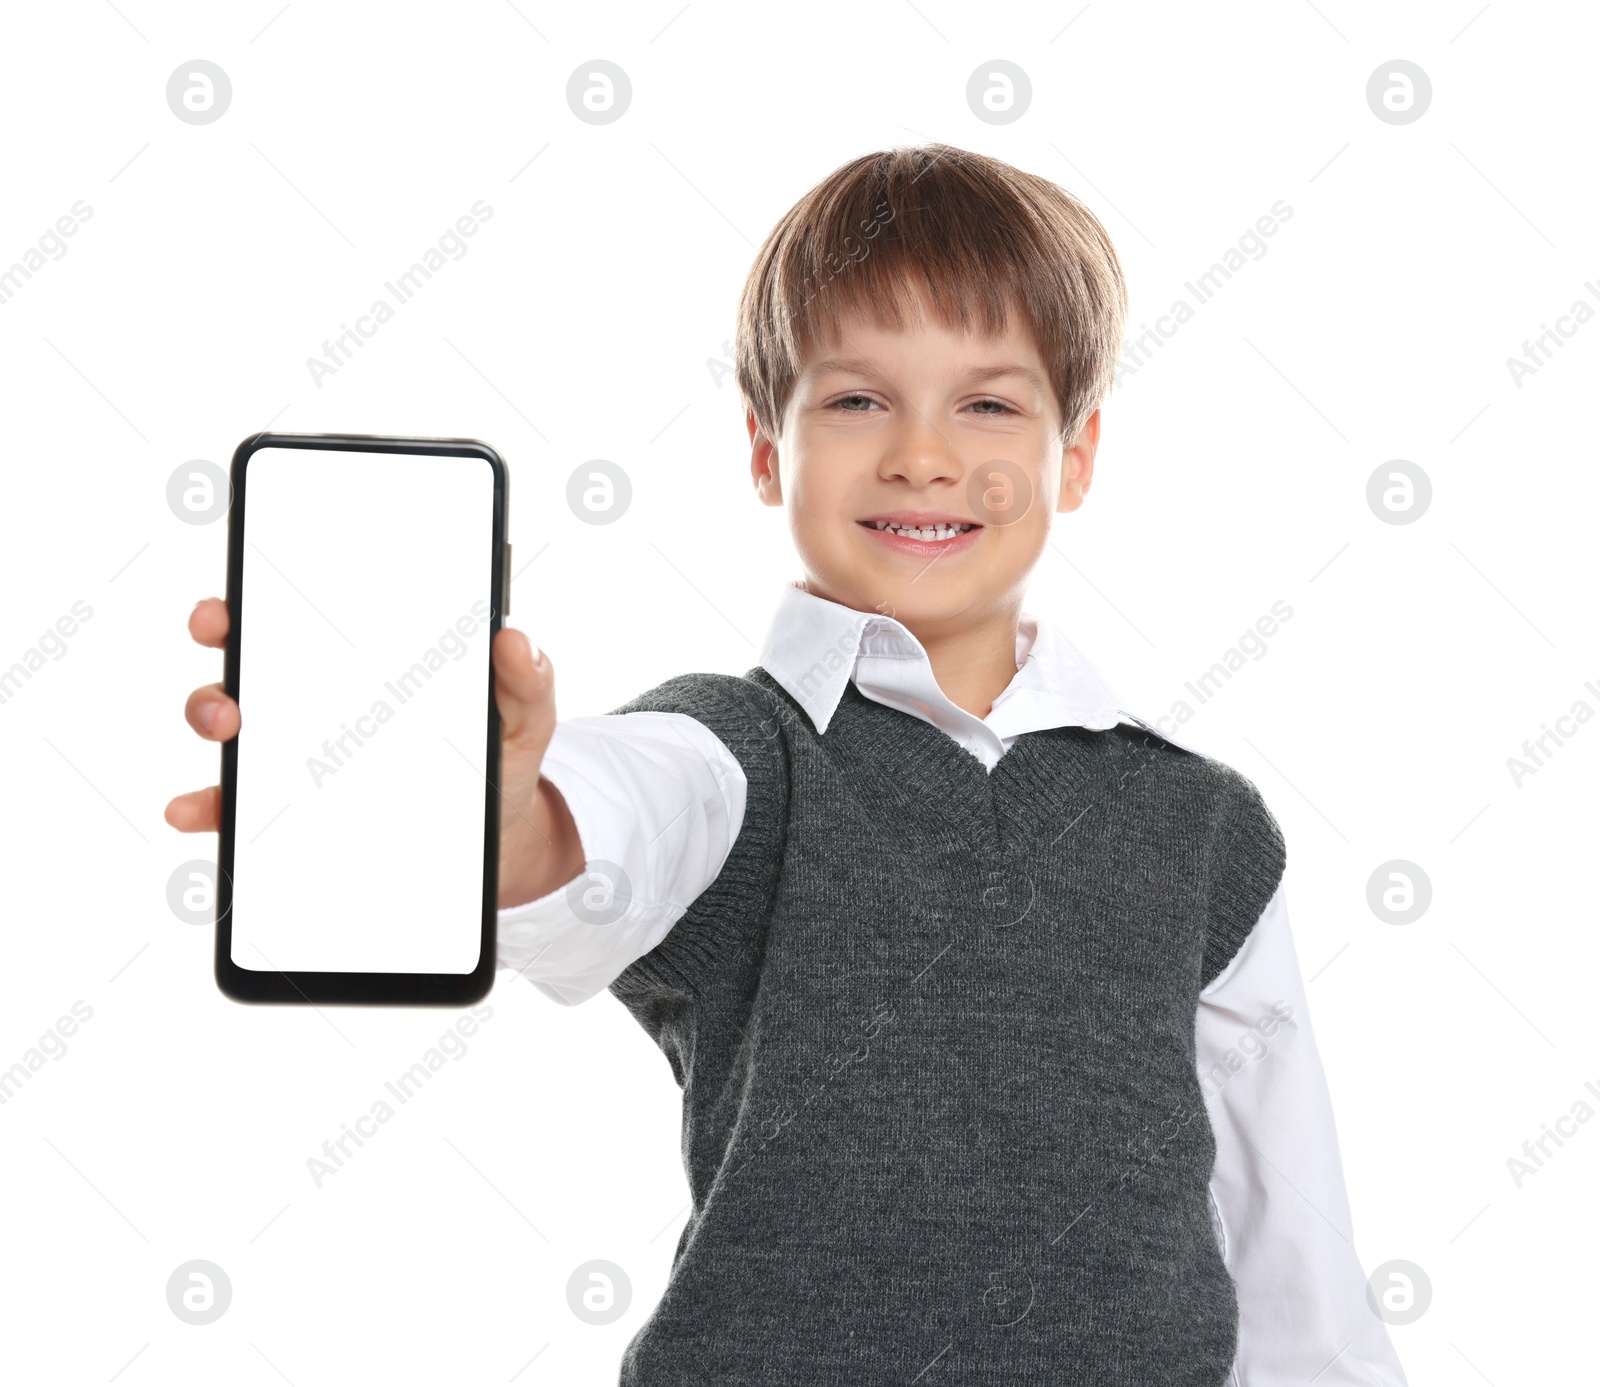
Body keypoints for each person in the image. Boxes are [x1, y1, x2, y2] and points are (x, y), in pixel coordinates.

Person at [168, 142, 1407, 1385]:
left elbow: (1288, 1236)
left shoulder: (1201, 823)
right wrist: (494, 815)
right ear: (766, 448)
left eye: (986, 402)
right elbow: (612, 820)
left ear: (1072, 455)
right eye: (858, 400)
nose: (922, 455)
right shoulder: (739, 752)